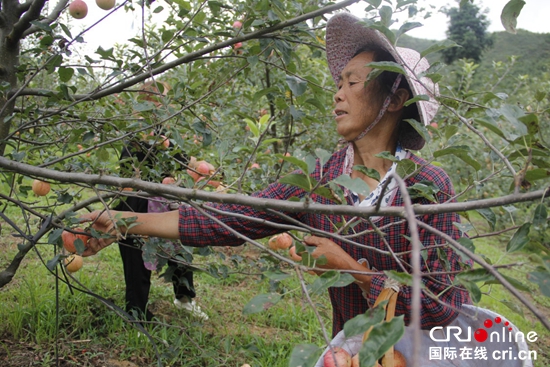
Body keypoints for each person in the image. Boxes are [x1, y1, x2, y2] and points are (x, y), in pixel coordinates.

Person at [81, 12, 470, 337]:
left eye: (352, 82)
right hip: (349, 351)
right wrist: (123, 220)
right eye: (338, 83)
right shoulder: (323, 179)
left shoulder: (426, 187)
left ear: (396, 99)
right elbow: (227, 219)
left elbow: (441, 306)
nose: (338, 93)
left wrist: (353, 269)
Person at [115, 140, 208, 321]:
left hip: (166, 202)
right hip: (138, 202)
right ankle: (137, 313)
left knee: (180, 253)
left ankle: (184, 298)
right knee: (136, 257)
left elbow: (185, 161)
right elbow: (125, 180)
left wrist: (204, 170)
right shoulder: (135, 140)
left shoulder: (164, 138)